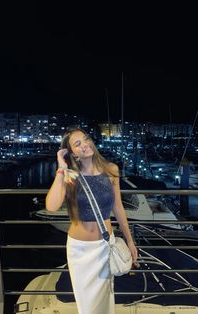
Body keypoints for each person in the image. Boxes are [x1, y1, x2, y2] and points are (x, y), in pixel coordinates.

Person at [46, 127, 138, 314]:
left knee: (105, 301)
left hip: (105, 247)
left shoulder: (111, 170)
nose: (85, 145)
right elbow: (52, 206)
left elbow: (118, 207)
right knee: (86, 306)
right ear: (71, 152)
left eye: (86, 139)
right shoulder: (71, 175)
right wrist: (61, 168)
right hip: (80, 251)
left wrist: (130, 240)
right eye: (77, 144)